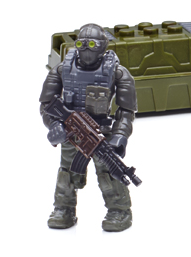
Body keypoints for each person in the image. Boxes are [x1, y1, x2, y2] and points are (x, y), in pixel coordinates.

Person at [39, 23, 137, 231]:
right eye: (81, 44)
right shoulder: (62, 69)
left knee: (109, 170)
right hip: (71, 130)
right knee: (67, 171)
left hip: (101, 132)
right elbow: (46, 104)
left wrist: (120, 135)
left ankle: (119, 210)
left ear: (103, 46)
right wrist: (54, 124)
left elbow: (127, 110)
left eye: (92, 44)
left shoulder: (118, 72)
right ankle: (64, 209)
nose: (86, 50)